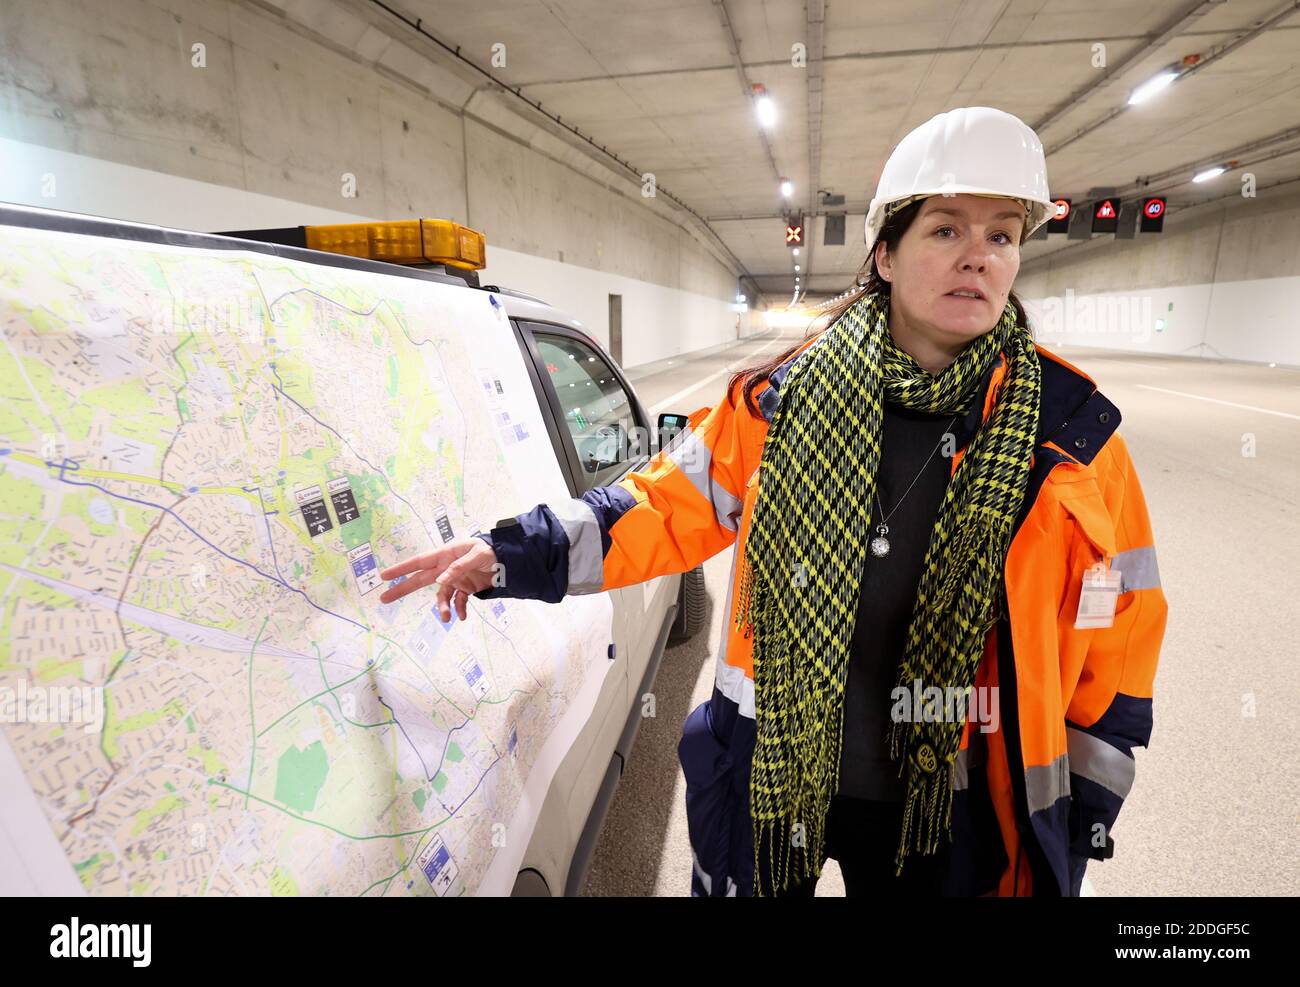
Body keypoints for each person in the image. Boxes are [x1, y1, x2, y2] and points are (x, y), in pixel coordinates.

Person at [378, 106, 1168, 898]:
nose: (979, 258)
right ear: (886, 254)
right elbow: (659, 508)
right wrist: (513, 551)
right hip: (776, 773)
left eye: (1001, 236)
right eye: (946, 231)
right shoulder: (776, 405)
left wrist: (1091, 796)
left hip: (948, 803)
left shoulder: (1069, 438)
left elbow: (1123, 628)